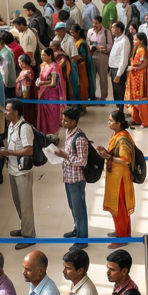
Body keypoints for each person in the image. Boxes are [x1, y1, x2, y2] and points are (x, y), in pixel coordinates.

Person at [0, 99, 37, 250]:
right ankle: (24, 227)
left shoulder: (24, 128)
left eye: (8, 110)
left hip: (22, 172)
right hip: (13, 170)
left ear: (15, 112)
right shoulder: (10, 125)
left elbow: (29, 150)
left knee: (26, 204)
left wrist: (8, 152)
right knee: (18, 202)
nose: (5, 113)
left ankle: (29, 235)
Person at [98, 110, 137, 244]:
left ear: (118, 123)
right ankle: (123, 231)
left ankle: (121, 238)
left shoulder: (122, 139)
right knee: (120, 207)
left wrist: (108, 157)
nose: (108, 123)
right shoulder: (117, 134)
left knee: (119, 208)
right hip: (116, 176)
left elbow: (126, 159)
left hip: (120, 178)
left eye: (111, 121)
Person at [56, 106, 90, 249]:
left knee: (79, 210)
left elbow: (82, 161)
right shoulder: (68, 132)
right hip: (68, 176)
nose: (62, 122)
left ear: (74, 121)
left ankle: (82, 240)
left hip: (76, 179)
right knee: (73, 207)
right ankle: (77, 229)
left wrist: (65, 156)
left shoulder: (80, 138)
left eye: (65, 120)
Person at [34, 47, 64, 136]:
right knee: (43, 117)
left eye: (44, 55)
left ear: (50, 56)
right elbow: (41, 77)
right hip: (43, 94)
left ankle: (53, 136)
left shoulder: (54, 67)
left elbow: (54, 83)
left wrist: (42, 83)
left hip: (51, 96)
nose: (42, 57)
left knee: (52, 116)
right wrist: (38, 82)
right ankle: (44, 136)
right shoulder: (43, 65)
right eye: (41, 55)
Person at [126, 31, 148, 128]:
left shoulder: (141, 50)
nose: (134, 41)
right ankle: (136, 119)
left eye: (136, 39)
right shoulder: (137, 49)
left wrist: (134, 68)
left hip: (139, 78)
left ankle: (144, 121)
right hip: (135, 77)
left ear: (141, 41)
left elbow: (144, 63)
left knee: (139, 98)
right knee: (134, 98)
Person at [109, 21, 131, 103]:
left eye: (113, 28)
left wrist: (118, 74)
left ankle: (121, 111)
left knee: (120, 92)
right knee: (116, 93)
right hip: (113, 68)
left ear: (119, 29)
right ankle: (118, 109)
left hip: (119, 70)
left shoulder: (124, 41)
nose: (111, 29)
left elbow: (123, 60)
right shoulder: (116, 39)